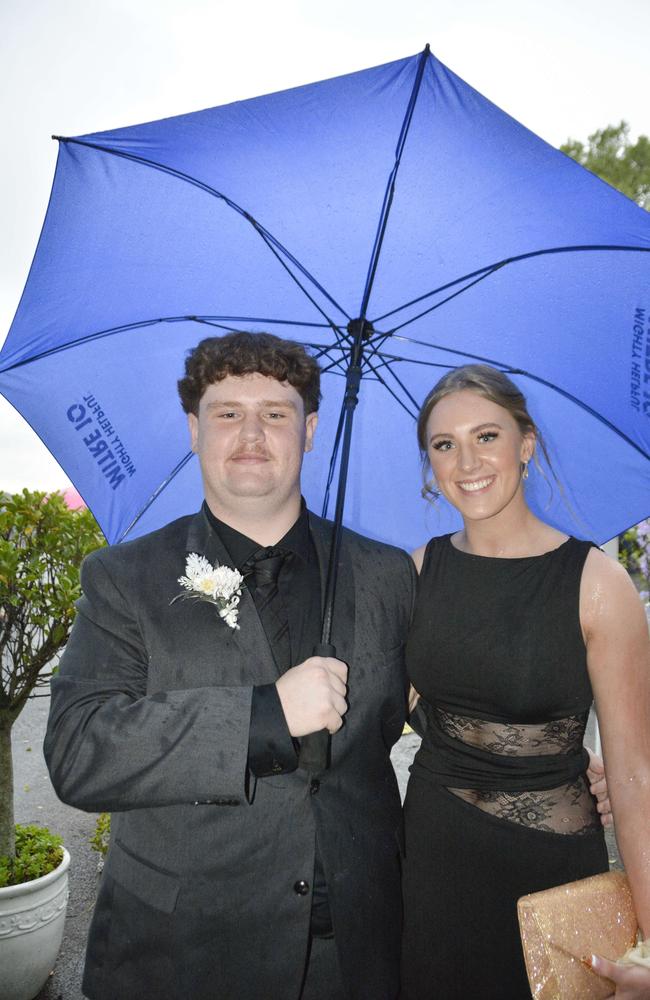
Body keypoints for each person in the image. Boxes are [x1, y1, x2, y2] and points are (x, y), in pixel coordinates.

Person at [44, 331, 416, 1000]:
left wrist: (551, 766)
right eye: (227, 413)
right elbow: (79, 751)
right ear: (194, 429)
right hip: (185, 955)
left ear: (310, 430)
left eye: (275, 413)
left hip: (358, 953)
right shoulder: (124, 578)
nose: (251, 432)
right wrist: (264, 716)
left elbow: (418, 714)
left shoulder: (387, 574)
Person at [400, 364, 650, 999]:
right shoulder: (416, 572)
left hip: (551, 870)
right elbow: (382, 715)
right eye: (443, 445)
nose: (466, 462)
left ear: (527, 445)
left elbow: (634, 776)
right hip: (431, 856)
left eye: (487, 436)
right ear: (430, 465)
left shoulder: (597, 583)